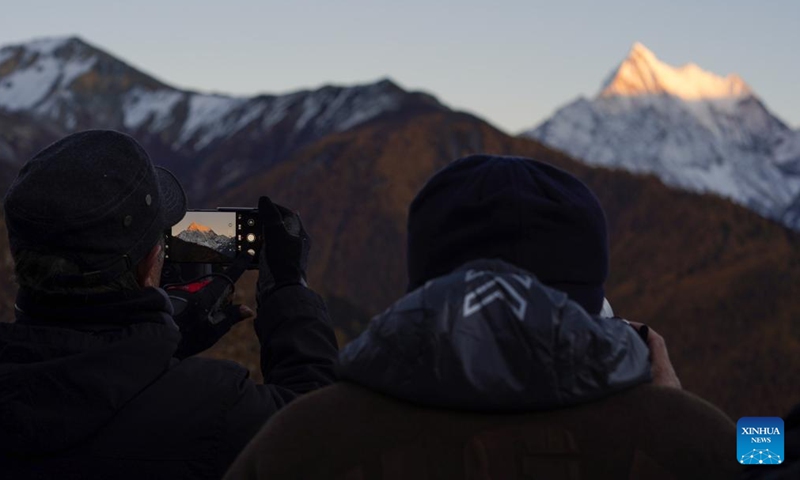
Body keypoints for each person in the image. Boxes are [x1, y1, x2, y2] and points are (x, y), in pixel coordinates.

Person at [224, 155, 739, 479]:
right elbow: (777, 450)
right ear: (595, 305)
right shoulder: (701, 443)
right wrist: (669, 410)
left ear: (421, 288)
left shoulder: (302, 440)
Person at [0, 130, 339, 479]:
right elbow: (325, 433)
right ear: (149, 268)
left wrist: (161, 347)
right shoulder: (210, 410)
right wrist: (287, 287)